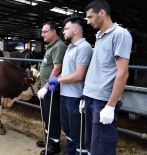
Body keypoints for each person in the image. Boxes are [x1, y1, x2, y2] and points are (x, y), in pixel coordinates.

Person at [83, 0, 132, 154]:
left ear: (102, 13)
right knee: (90, 145)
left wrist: (110, 106)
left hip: (103, 101)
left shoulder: (120, 34)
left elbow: (123, 72)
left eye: (90, 17)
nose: (88, 21)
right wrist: (86, 96)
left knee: (102, 148)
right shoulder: (99, 36)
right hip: (91, 97)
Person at [47, 17, 93, 155]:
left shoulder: (84, 48)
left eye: (66, 28)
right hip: (65, 95)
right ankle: (70, 152)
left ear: (76, 29)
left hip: (75, 97)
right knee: (67, 129)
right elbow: (68, 72)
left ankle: (80, 153)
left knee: (77, 131)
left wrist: (58, 79)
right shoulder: (69, 48)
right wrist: (56, 79)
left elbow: (79, 75)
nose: (63, 32)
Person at [37, 21, 67, 155]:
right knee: (47, 115)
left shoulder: (59, 46)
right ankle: (48, 140)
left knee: (53, 116)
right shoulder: (51, 46)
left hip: (53, 89)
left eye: (44, 31)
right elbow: (48, 64)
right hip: (47, 88)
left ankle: (54, 145)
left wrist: (46, 87)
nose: (42, 34)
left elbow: (57, 68)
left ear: (53, 31)